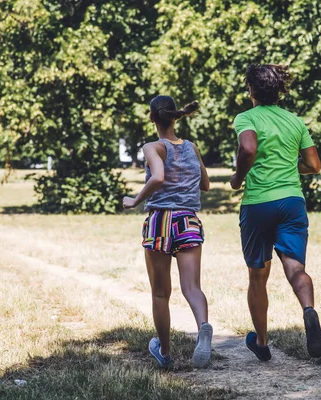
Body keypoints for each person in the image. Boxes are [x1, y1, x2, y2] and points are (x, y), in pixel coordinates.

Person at [230, 64, 321, 361]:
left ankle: (261, 342)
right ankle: (309, 310)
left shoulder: (246, 117)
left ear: (252, 90)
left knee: (258, 275)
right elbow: (313, 165)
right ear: (279, 91)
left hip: (259, 203)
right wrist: (287, 168)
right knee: (296, 268)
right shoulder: (295, 121)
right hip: (292, 202)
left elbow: (247, 149)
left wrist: (237, 178)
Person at [123, 95, 212, 369]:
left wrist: (135, 200)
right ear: (175, 117)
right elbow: (206, 184)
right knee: (192, 287)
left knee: (161, 293)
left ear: (153, 118)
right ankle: (203, 326)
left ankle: (164, 352)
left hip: (161, 220)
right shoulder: (191, 147)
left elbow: (158, 176)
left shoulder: (153, 147)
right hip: (188, 221)